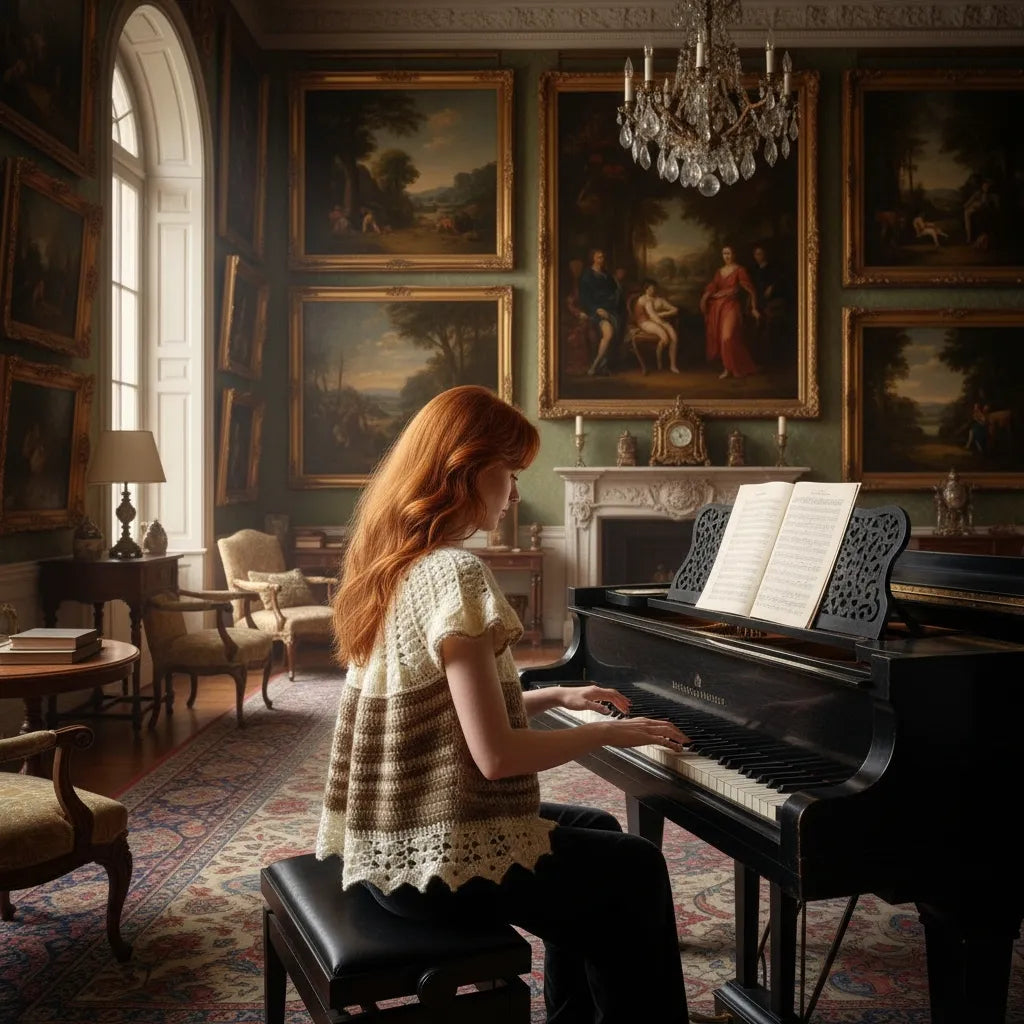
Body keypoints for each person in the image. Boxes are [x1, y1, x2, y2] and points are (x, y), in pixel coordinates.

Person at [316, 385, 691, 1024]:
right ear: (466, 468)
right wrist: (612, 735)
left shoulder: (396, 563)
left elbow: (445, 713)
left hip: (393, 835)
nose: (516, 492)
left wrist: (560, 694)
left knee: (599, 832)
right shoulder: (455, 572)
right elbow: (495, 756)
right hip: (433, 870)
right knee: (636, 867)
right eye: (510, 473)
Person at [700, 244, 760, 379]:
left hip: (732, 306)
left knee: (727, 337)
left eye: (729, 253)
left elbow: (750, 290)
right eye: (724, 253)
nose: (727, 256)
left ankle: (738, 367)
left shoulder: (740, 270)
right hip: (717, 309)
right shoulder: (719, 271)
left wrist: (754, 308)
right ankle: (727, 369)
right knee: (722, 339)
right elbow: (713, 286)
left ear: (734, 255)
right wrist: (706, 295)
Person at [577, 248, 624, 376]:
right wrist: (597, 309)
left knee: (614, 332)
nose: (601, 260)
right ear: (593, 258)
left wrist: (617, 287)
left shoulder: (608, 275)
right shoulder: (587, 275)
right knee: (608, 334)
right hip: (596, 311)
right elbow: (584, 297)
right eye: (598, 257)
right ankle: (595, 366)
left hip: (611, 310)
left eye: (602, 257)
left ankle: (599, 366)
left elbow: (615, 292)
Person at [635, 278, 681, 373]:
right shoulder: (644, 299)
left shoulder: (659, 299)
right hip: (645, 322)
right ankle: (659, 358)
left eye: (654, 288)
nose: (652, 290)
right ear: (646, 289)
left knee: (674, 337)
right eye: (650, 288)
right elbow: (652, 316)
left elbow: (675, 310)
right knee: (665, 338)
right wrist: (662, 322)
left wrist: (663, 314)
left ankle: (673, 365)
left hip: (659, 320)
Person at [963, 178, 999, 246]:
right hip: (976, 209)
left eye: (987, 186)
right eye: (984, 186)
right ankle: (969, 237)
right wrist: (967, 205)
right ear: (982, 186)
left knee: (976, 208)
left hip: (987, 211)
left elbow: (995, 207)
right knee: (967, 212)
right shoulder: (978, 193)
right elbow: (968, 202)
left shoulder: (993, 196)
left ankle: (976, 238)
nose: (986, 188)